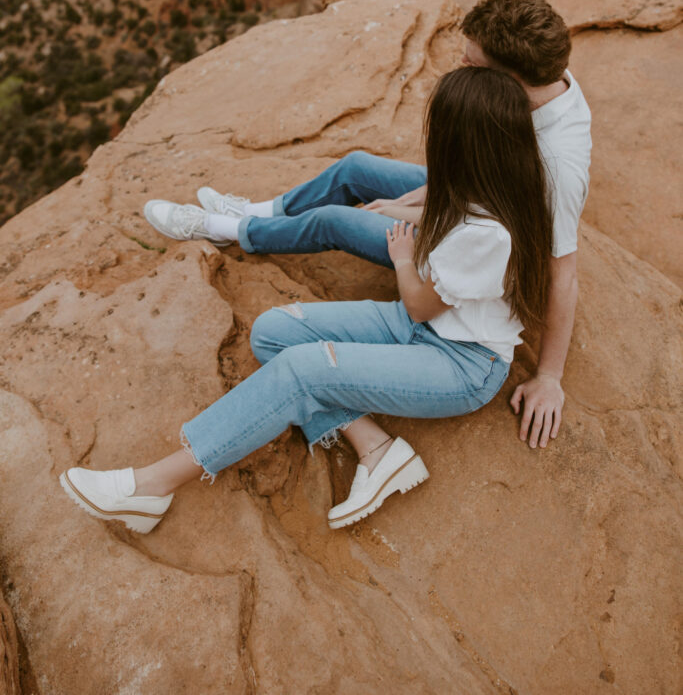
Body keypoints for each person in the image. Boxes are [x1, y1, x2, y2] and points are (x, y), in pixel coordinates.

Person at [60, 67, 552, 533]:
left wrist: (403, 257)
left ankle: (152, 486)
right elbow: (449, 231)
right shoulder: (496, 184)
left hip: (461, 362)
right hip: (424, 327)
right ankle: (376, 449)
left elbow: (424, 303)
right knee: (274, 333)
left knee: (301, 371)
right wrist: (409, 214)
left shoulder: (491, 233)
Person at [143, 0, 592, 452]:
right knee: (356, 169)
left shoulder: (556, 169)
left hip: (464, 246)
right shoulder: (549, 80)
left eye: (470, 62)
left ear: (506, 82)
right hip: (469, 198)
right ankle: (261, 211)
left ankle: (235, 232)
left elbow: (563, 271)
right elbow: (483, 159)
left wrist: (549, 376)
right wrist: (434, 190)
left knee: (335, 221)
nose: (457, 63)